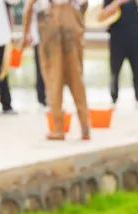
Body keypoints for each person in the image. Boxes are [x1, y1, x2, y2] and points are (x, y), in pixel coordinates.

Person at [23, 0, 91, 140]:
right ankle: (85, 128)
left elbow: (29, 7)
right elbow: (84, 4)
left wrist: (25, 33)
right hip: (71, 27)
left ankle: (58, 129)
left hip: (50, 28)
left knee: (53, 80)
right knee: (77, 79)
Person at [101, 0, 138, 109]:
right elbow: (103, 14)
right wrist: (118, 2)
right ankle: (114, 99)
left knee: (137, 70)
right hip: (116, 37)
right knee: (114, 71)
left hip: (134, 36)